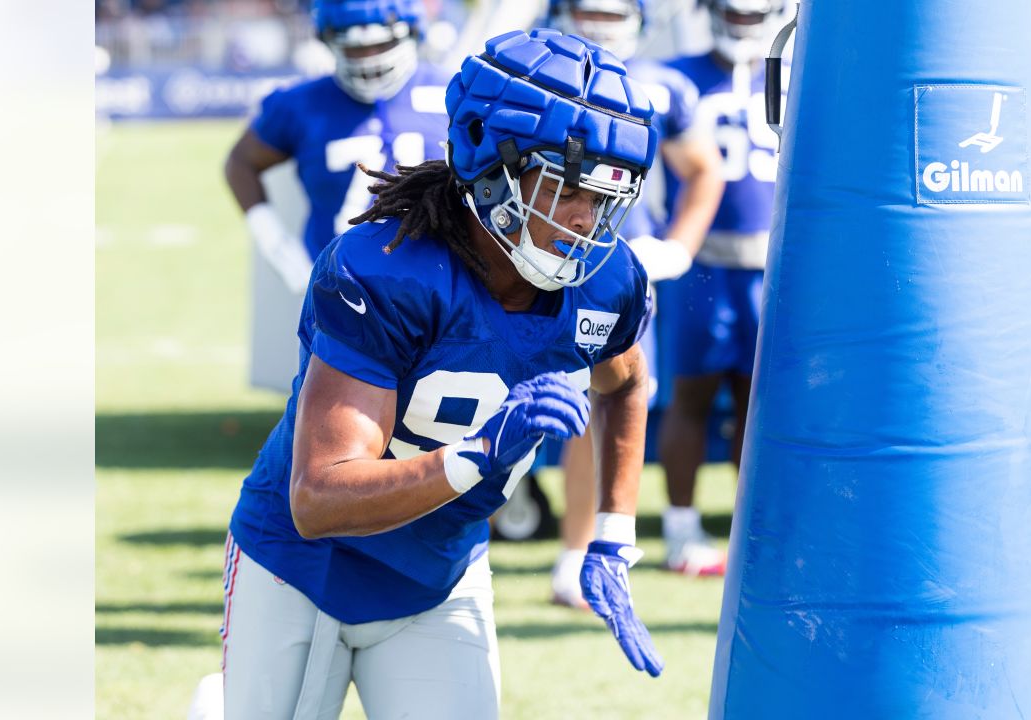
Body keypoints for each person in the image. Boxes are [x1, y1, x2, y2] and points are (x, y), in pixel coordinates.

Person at [219, 29, 666, 718]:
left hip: (441, 574)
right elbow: (319, 499)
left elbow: (628, 382)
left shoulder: (607, 283)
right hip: (306, 570)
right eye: (567, 186)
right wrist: (480, 454)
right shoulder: (387, 269)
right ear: (492, 161)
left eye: (606, 194)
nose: (585, 222)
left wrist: (613, 532)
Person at [544, 0, 725, 606]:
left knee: (605, 401)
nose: (599, 22)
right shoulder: (532, 71)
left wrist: (677, 247)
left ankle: (590, 550)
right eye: (587, 9)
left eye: (613, 9)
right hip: (530, 254)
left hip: (612, 267)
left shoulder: (660, 88)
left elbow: (705, 171)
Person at [652, 0, 786, 576]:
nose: (743, 21)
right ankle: (680, 528)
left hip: (772, 263)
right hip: (702, 261)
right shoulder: (677, 76)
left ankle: (749, 533)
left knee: (757, 405)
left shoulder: (791, 70)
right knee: (692, 399)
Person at [224, 0, 450, 296]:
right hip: (341, 292)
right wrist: (277, 245)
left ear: (412, 31)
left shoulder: (453, 92)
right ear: (328, 39)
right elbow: (240, 162)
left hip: (441, 288)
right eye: (354, 47)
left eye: (382, 43)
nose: (370, 58)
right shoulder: (299, 104)